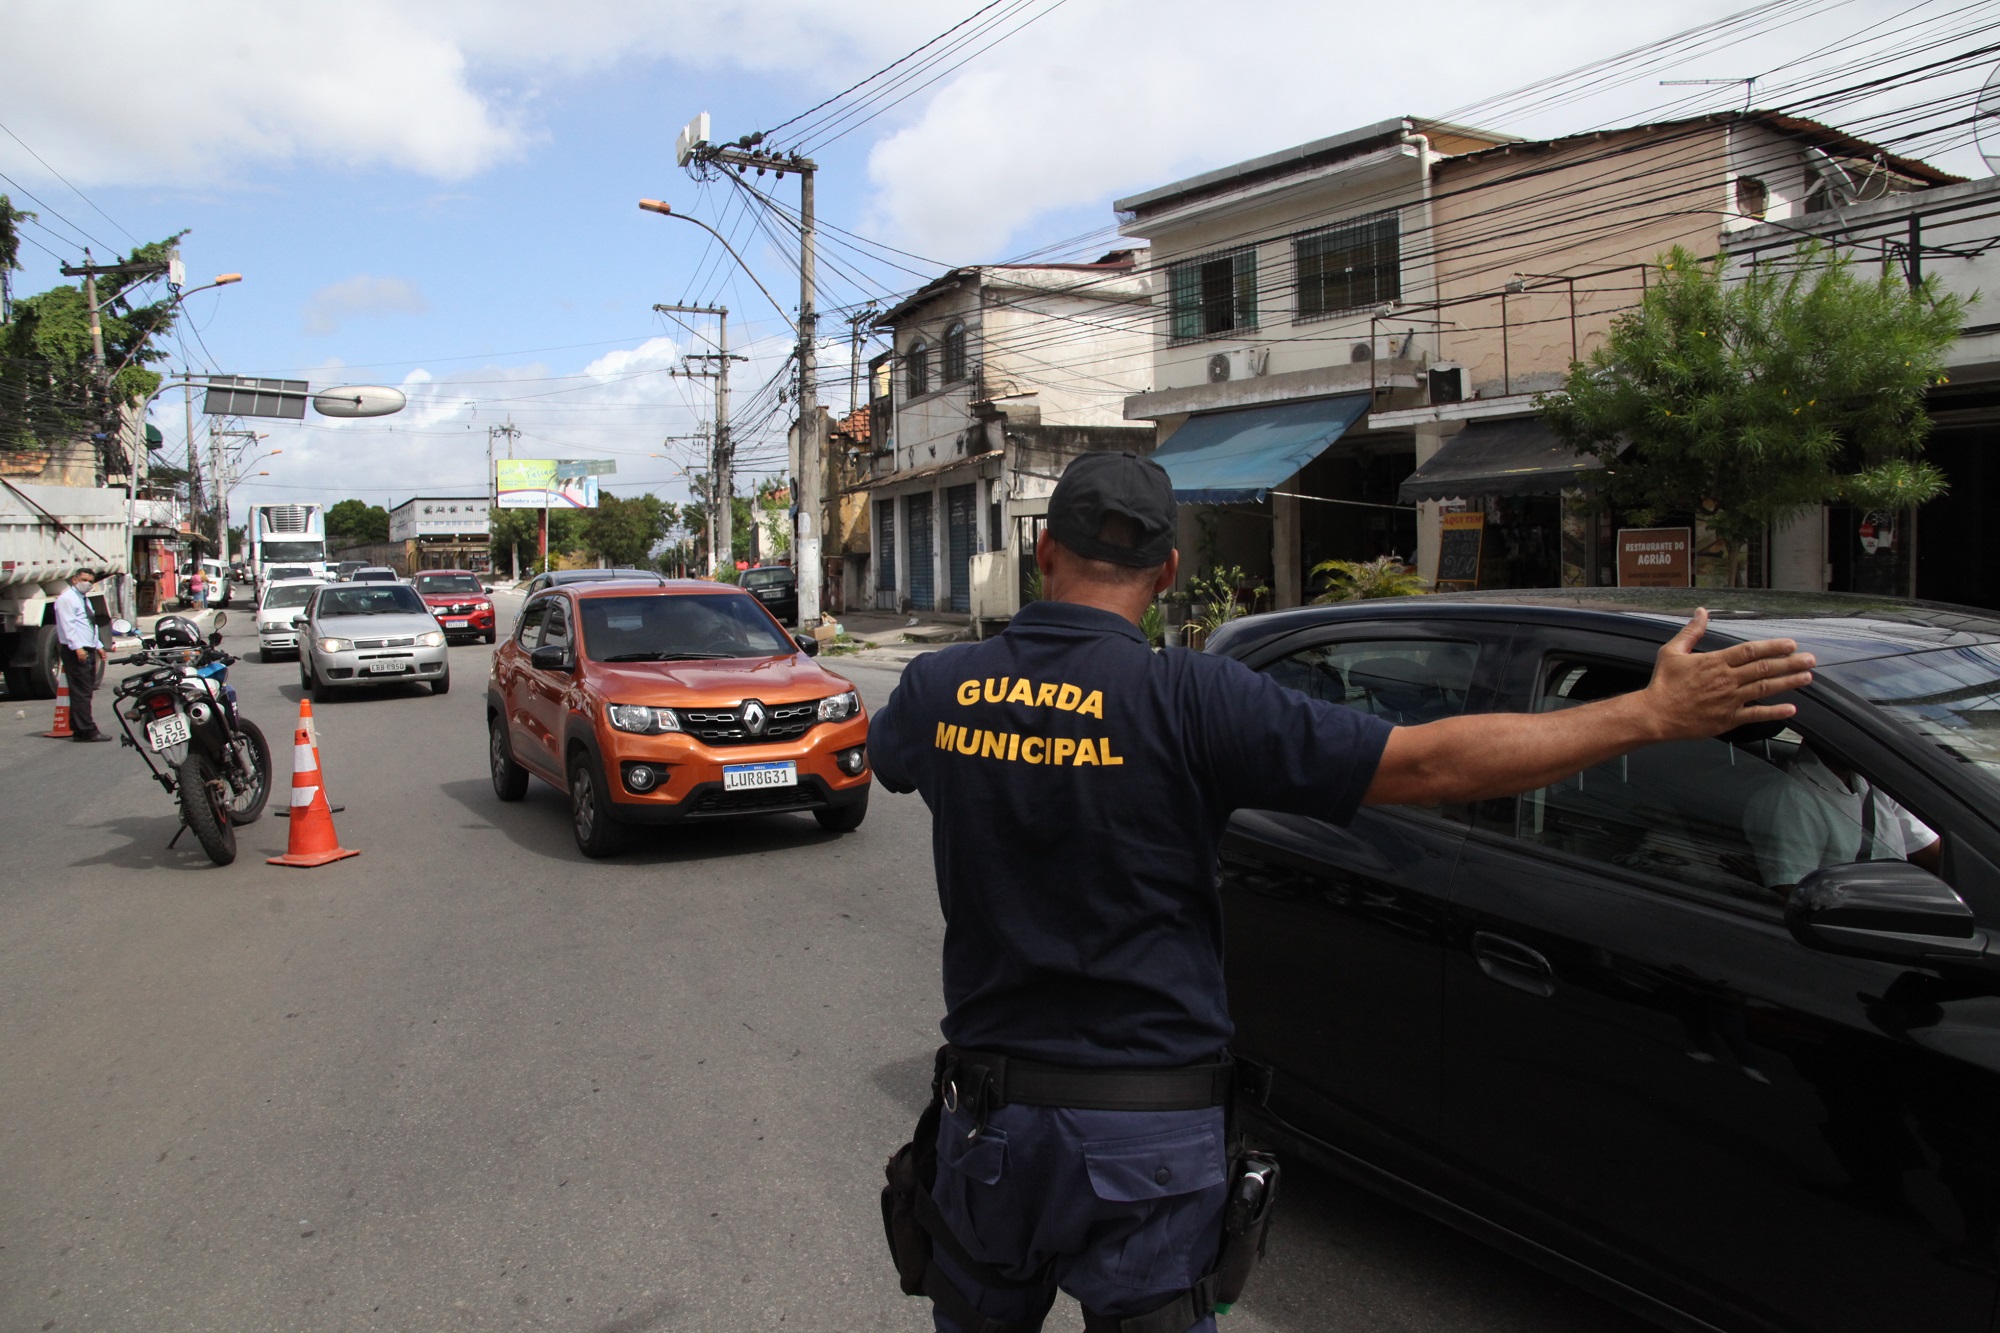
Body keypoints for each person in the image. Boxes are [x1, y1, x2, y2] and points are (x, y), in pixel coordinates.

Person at [867, 451, 1815, 1333]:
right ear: (1167, 576)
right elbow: (1432, 763)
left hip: (990, 1128)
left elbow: (882, 755)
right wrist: (1650, 712)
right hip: (1146, 1140)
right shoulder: (1196, 699)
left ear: (1043, 553)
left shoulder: (944, 683)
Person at [53, 567, 111, 743]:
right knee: (82, 691)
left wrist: (98, 645)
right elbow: (67, 626)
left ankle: (79, 728)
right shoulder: (67, 599)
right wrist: (77, 648)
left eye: (91, 581)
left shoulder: (83, 599)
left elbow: (89, 624)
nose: (87, 584)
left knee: (84, 690)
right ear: (74, 580)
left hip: (87, 647)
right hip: (76, 650)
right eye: (84, 580)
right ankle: (87, 730)